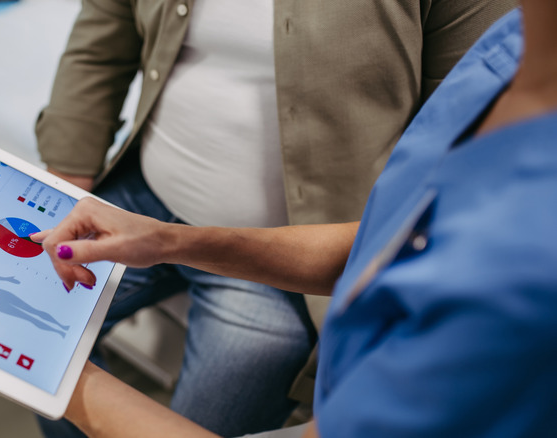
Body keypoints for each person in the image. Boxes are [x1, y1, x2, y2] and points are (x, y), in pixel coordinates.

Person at [31, 4, 557, 436]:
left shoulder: (519, 259)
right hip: (155, 212)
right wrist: (171, 240)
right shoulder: (511, 51)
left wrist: (50, 376)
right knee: (32, 308)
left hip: (286, 260)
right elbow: (384, 237)